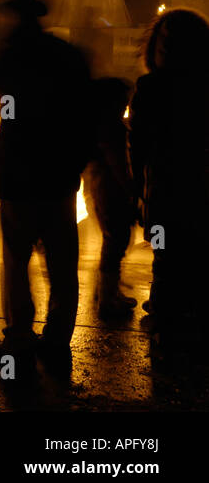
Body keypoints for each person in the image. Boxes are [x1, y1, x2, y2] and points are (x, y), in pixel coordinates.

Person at [0, 0, 92, 376]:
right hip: (58, 173)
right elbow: (82, 113)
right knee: (62, 262)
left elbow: (9, 116)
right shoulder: (66, 55)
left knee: (16, 261)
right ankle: (57, 340)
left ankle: (18, 339)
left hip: (20, 173)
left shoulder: (8, 59)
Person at [129, 9, 209, 333]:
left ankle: (166, 310)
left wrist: (135, 187)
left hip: (164, 187)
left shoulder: (150, 87)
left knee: (165, 254)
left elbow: (138, 144)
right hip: (196, 185)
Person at [83, 77, 138, 321]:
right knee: (116, 241)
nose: (126, 105)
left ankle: (108, 293)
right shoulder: (111, 127)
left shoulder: (97, 125)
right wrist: (130, 188)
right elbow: (117, 163)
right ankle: (107, 298)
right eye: (124, 101)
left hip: (99, 188)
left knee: (113, 241)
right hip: (109, 190)